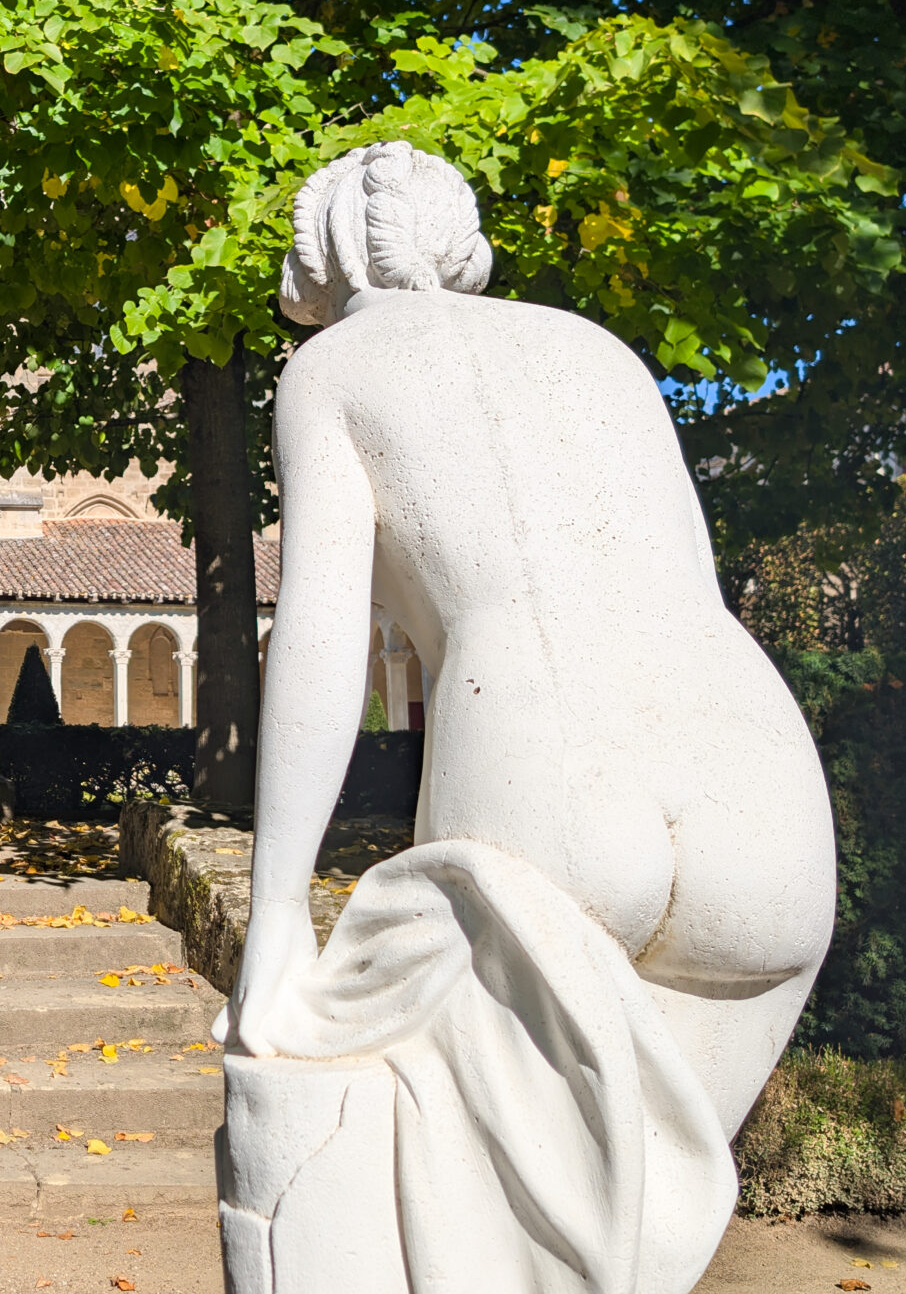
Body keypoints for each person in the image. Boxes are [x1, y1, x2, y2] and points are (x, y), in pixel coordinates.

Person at [214, 143, 835, 1294]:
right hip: (760, 787)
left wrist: (276, 914)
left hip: (546, 759)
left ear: (318, 261)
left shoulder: (333, 366)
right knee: (628, 1254)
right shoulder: (598, 352)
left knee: (479, 1251)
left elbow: (319, 634)